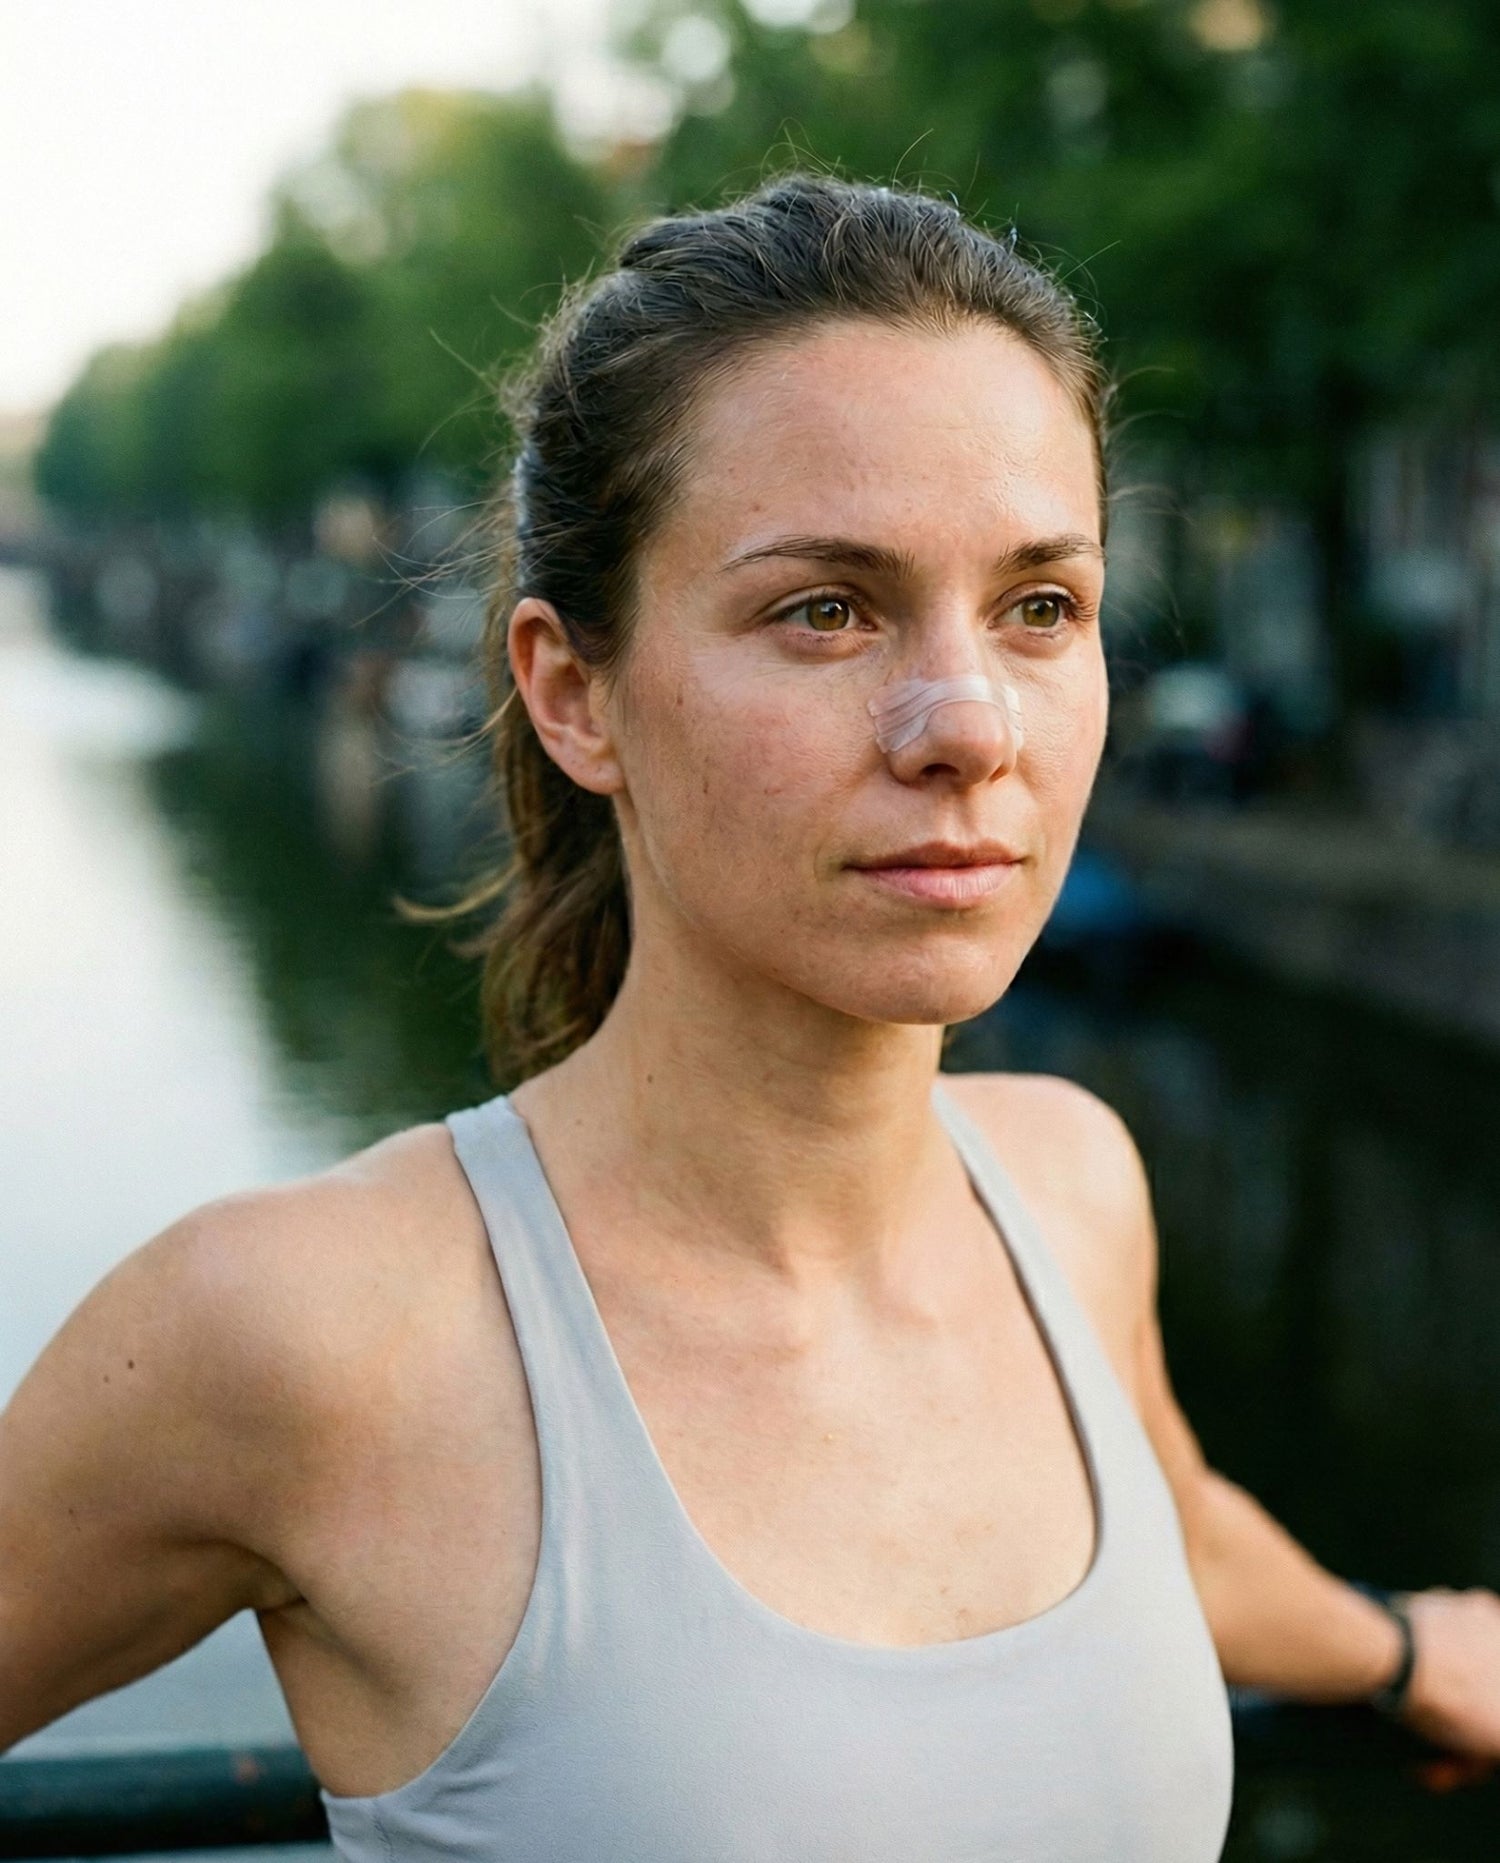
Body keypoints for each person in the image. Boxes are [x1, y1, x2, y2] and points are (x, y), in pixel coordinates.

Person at [3, 173, 1498, 1861]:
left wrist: (1403, 1651)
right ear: (576, 692)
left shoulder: (1071, 1189)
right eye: (826, 610)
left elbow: (1182, 1528)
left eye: (1039, 608)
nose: (966, 725)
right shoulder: (308, 1336)